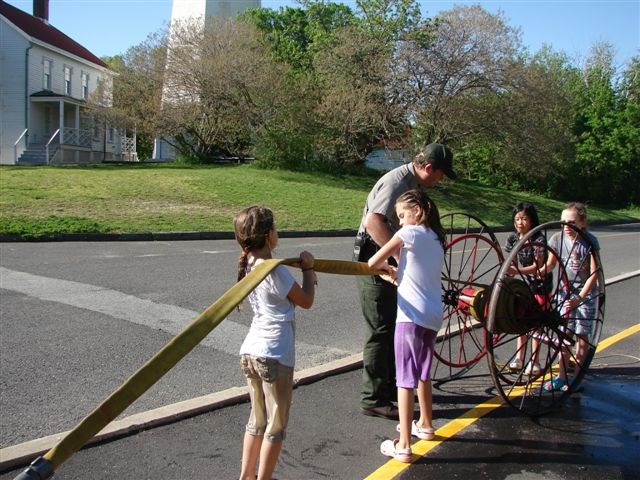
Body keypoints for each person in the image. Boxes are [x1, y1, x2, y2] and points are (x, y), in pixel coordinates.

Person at [354, 143, 456, 420]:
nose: (441, 180)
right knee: (381, 329)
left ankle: (392, 390)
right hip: (375, 258)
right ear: (428, 168)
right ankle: (374, 398)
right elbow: (373, 222)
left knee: (393, 326)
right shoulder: (398, 181)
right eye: (441, 174)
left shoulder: (413, 185)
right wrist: (400, 259)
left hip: (390, 263)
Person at [234, 205, 317, 480]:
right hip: (274, 353)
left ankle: (246, 476)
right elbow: (306, 301)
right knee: (276, 424)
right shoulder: (275, 271)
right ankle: (264, 477)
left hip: (251, 350)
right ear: (269, 235)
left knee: (256, 420)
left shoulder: (249, 264)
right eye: (276, 228)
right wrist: (308, 270)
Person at [367, 189, 446, 462]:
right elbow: (414, 277)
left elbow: (372, 262)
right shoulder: (436, 240)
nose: (400, 222)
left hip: (410, 317)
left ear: (417, 210)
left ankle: (403, 444)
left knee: (405, 379)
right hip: (433, 315)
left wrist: (384, 268)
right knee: (423, 372)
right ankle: (425, 424)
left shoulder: (408, 234)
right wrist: (394, 274)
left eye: (402, 215)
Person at [540, 202, 600, 392]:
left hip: (585, 294)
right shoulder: (558, 239)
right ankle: (561, 377)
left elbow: (594, 273)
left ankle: (576, 379)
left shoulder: (589, 241)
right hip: (565, 293)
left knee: (582, 336)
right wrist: (529, 272)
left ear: (582, 222)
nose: (566, 226)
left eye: (571, 222)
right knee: (563, 335)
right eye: (563, 222)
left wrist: (581, 297)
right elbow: (549, 266)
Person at [503, 201, 552, 376]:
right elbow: (512, 259)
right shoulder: (513, 238)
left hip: (539, 284)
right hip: (524, 283)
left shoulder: (539, 239)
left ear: (532, 220)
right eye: (517, 219)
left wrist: (517, 271)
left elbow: (538, 267)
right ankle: (519, 357)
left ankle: (535, 360)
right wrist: (510, 274)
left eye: (524, 218)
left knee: (535, 323)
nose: (520, 222)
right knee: (521, 320)